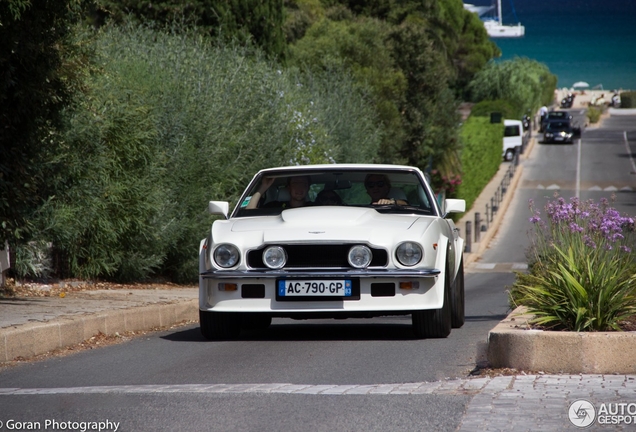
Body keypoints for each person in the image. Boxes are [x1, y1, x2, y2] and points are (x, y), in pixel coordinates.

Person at [246, 175, 311, 209]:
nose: (299, 187)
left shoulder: (315, 207)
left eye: (303, 184)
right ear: (289, 188)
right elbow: (249, 214)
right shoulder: (274, 206)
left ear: (308, 188)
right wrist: (263, 187)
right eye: (295, 183)